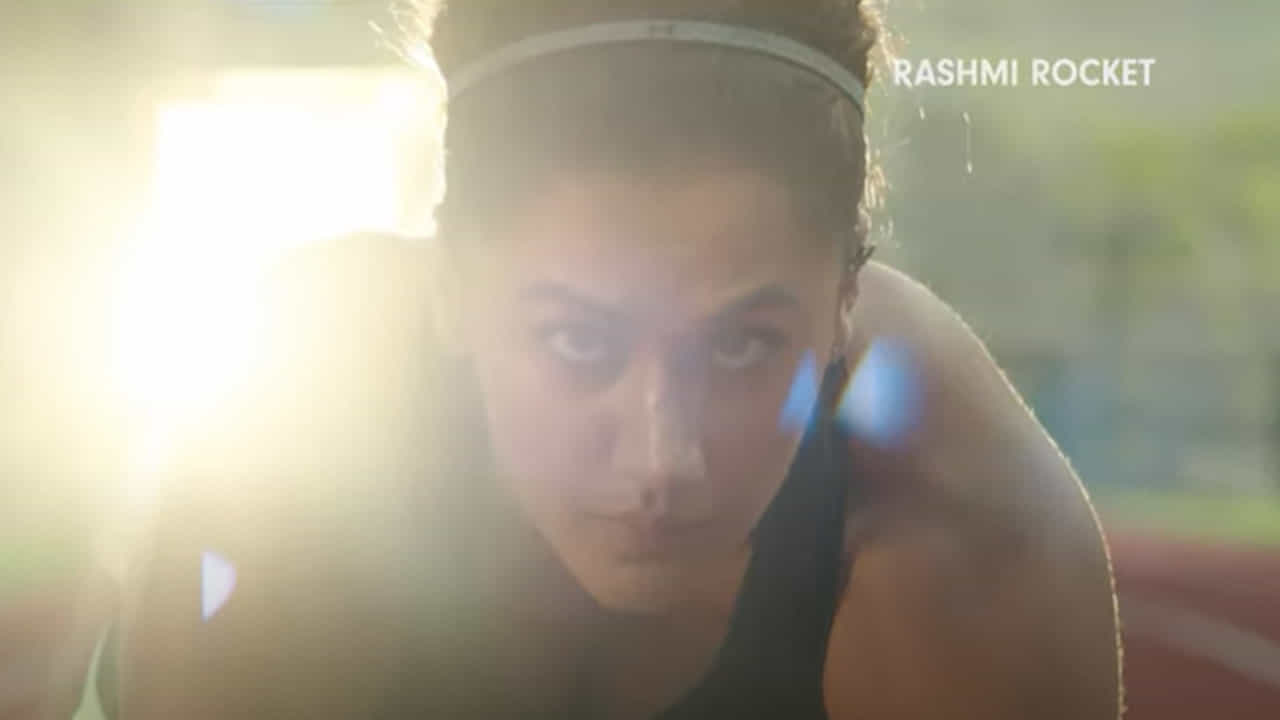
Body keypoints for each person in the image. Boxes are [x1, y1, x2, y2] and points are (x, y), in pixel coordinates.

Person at [34, 1, 1122, 718]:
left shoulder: (963, 530)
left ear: (843, 302)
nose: (663, 459)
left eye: (743, 344)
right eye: (578, 341)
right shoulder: (290, 448)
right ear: (453, 287)